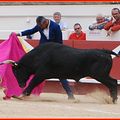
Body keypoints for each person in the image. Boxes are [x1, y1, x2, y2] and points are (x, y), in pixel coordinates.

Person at [16, 16, 75, 100]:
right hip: (42, 53)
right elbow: (31, 31)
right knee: (34, 70)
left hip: (53, 54)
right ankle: (25, 92)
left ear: (45, 22)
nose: (40, 28)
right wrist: (19, 34)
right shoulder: (40, 25)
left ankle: (70, 94)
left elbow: (59, 43)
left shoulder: (55, 27)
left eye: (41, 26)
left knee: (60, 73)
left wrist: (57, 55)